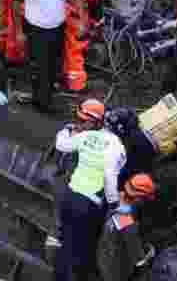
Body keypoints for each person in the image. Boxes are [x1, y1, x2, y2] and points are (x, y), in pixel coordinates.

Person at [55, 99, 127, 281]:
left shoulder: (86, 136)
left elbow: (62, 145)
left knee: (66, 244)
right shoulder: (116, 147)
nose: (81, 124)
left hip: (69, 198)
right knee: (83, 249)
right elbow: (110, 177)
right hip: (89, 205)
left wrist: (67, 130)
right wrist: (113, 203)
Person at [16, 0, 68, 113]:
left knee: (53, 64)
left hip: (57, 30)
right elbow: (15, 2)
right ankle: (43, 104)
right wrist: (18, 31)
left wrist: (83, 18)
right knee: (41, 66)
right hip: (36, 30)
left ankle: (44, 93)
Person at [96, 173, 157, 281]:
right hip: (115, 266)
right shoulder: (126, 222)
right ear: (138, 198)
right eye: (145, 199)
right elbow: (138, 258)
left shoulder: (118, 197)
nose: (145, 202)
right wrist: (149, 255)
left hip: (103, 251)